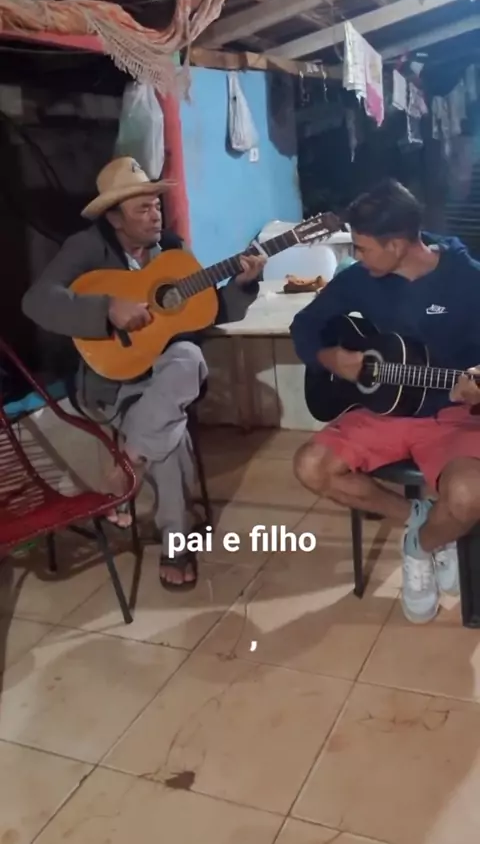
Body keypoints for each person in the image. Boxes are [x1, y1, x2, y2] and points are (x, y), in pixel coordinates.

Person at [22, 157, 265, 591]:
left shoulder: (171, 250)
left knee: (187, 356)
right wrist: (105, 309)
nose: (156, 216)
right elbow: (37, 301)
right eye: (143, 209)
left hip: (166, 377)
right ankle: (176, 544)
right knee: (168, 436)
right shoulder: (86, 247)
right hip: (112, 381)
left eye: (157, 205)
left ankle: (128, 463)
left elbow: (205, 311)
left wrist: (243, 284)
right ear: (114, 218)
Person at [291, 178, 480, 624]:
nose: (356, 257)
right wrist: (331, 359)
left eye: (362, 248)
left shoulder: (468, 279)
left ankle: (423, 544)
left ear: (396, 245)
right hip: (386, 410)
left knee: (469, 495)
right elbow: (305, 325)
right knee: (310, 466)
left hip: (455, 413)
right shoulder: (360, 280)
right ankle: (420, 518)